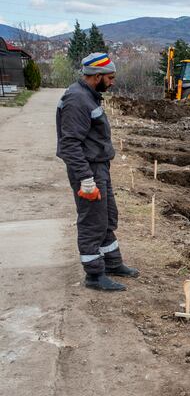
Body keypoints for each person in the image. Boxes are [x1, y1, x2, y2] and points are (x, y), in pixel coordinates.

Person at [56, 52, 139, 291]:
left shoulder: (89, 96)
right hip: (88, 170)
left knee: (107, 216)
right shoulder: (77, 100)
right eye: (110, 77)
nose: (112, 82)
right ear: (97, 76)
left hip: (99, 167)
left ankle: (112, 263)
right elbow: (69, 144)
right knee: (92, 221)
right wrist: (85, 179)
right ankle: (94, 275)